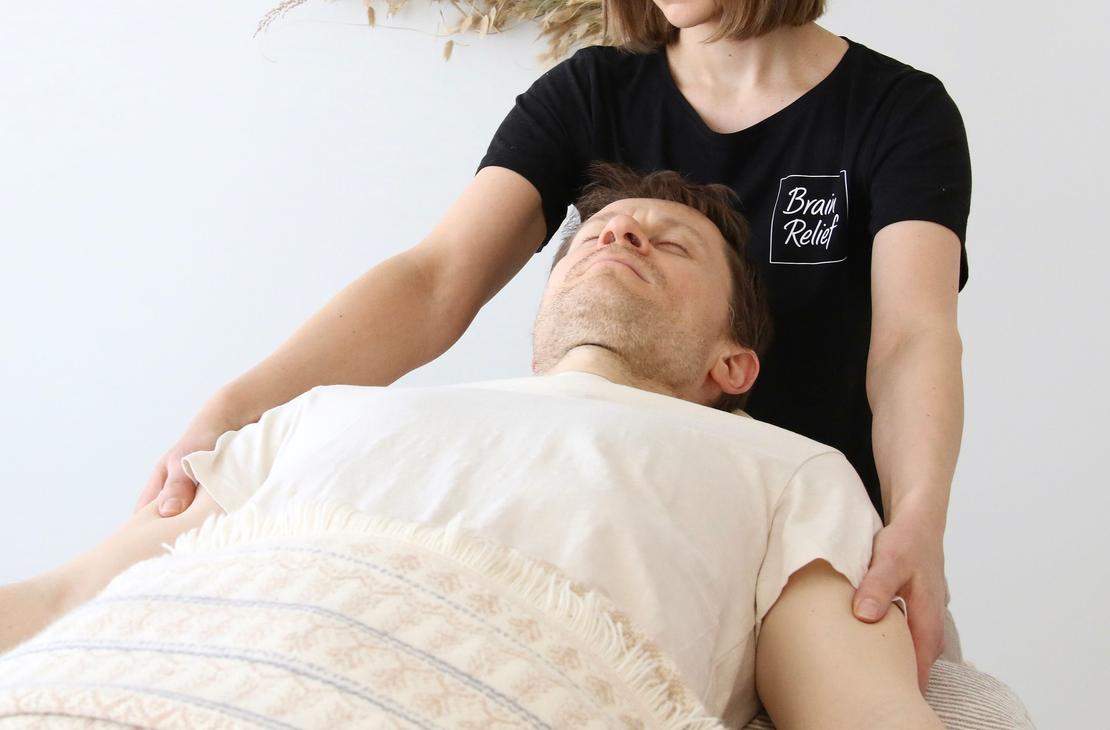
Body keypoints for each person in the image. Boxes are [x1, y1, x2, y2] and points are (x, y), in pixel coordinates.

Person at [137, 0, 971, 695]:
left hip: (799, 541)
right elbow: (435, 280)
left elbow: (910, 338)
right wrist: (235, 410)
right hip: (624, 517)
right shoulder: (592, 91)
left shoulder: (896, 111)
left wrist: (918, 522)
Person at [1, 166, 945, 728]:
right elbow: (64, 597)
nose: (622, 231)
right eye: (597, 233)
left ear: (731, 365)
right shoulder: (320, 413)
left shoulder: (788, 470)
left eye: (671, 244)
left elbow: (864, 715)